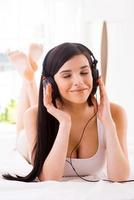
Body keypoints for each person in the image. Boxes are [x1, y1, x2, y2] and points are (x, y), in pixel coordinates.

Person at [3, 42, 130, 182]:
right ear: (49, 83)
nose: (78, 81)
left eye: (84, 72)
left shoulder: (115, 113)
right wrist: (64, 123)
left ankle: (29, 73)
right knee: (23, 128)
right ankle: (28, 80)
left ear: (94, 75)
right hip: (26, 144)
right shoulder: (32, 116)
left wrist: (108, 123)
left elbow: (120, 177)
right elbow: (48, 177)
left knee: (38, 110)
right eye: (66, 75)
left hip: (97, 114)